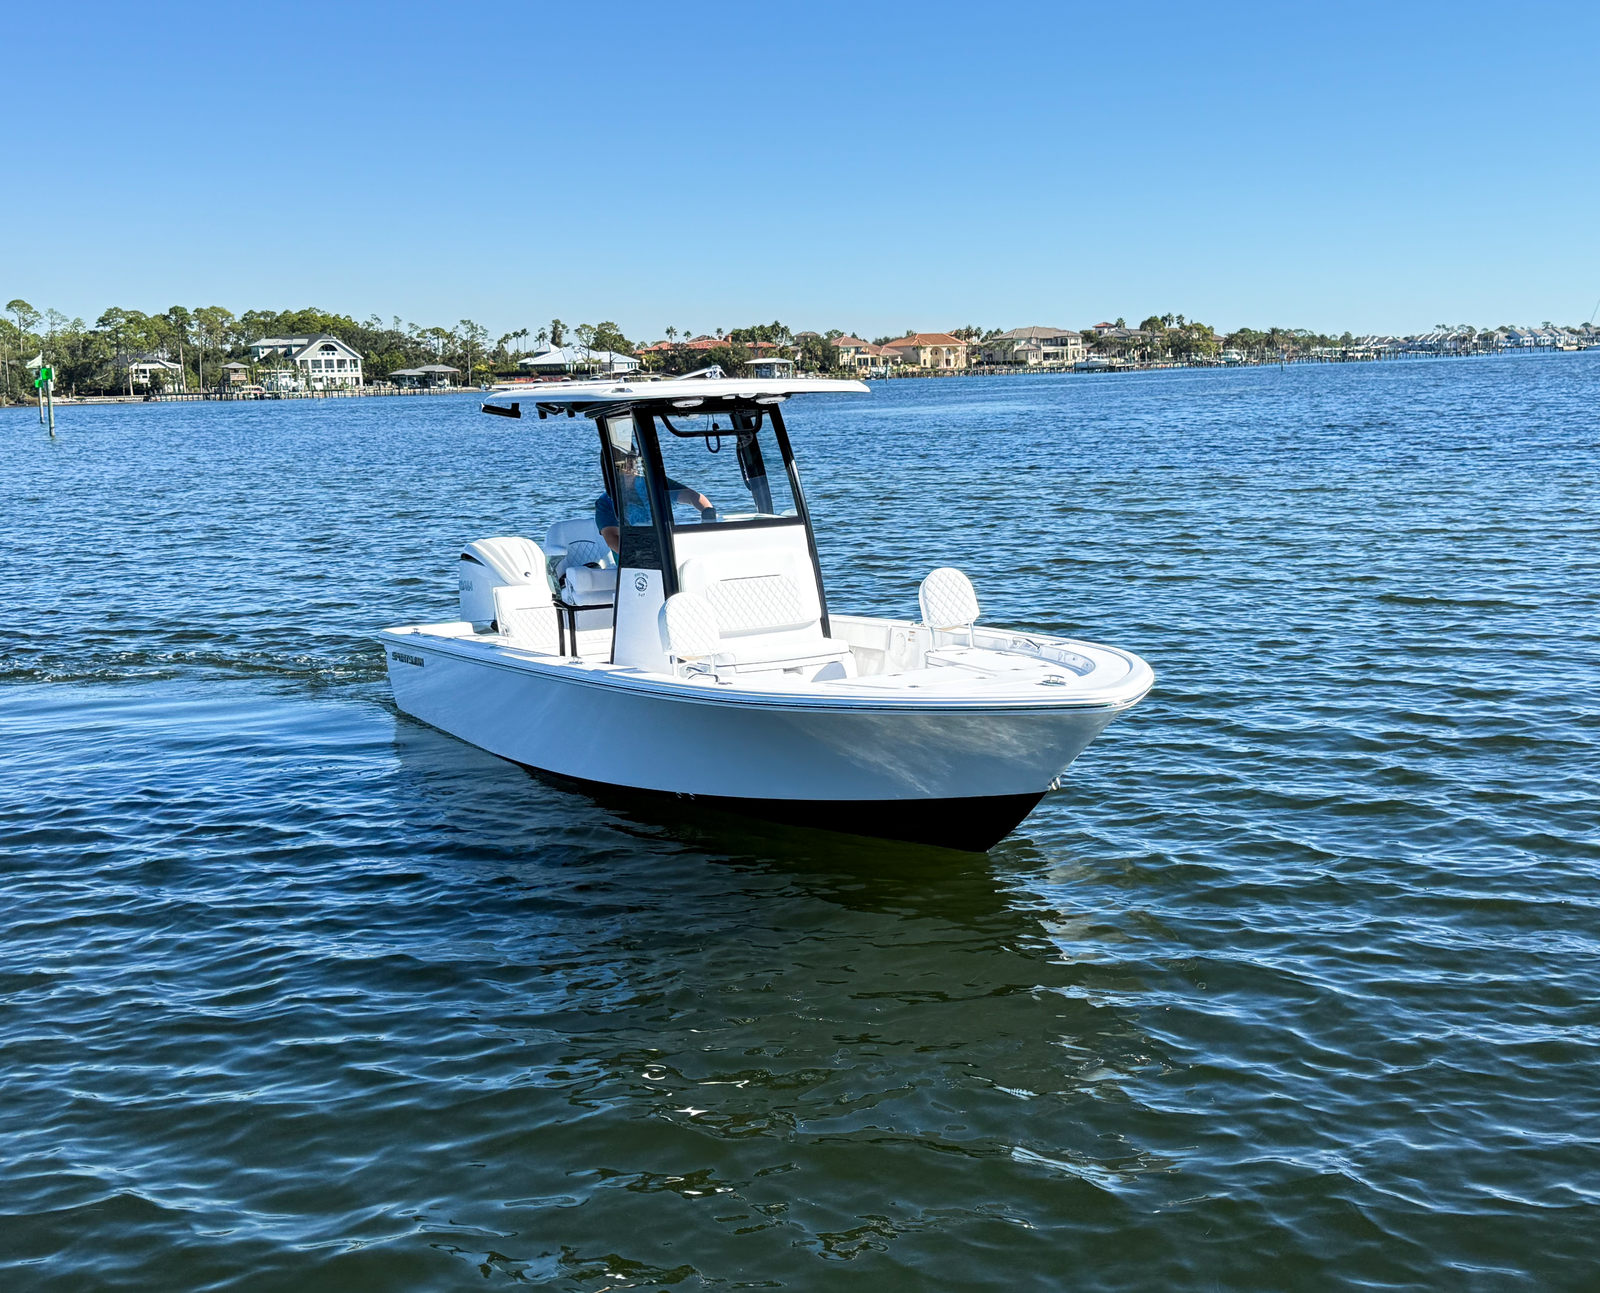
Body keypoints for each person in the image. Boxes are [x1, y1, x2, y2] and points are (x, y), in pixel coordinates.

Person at [595, 452, 712, 555]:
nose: (629, 465)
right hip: (632, 561)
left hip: (667, 550)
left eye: (632, 460)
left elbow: (692, 496)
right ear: (612, 467)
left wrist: (708, 512)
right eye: (623, 462)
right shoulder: (605, 502)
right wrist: (642, 556)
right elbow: (612, 539)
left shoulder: (653, 484)